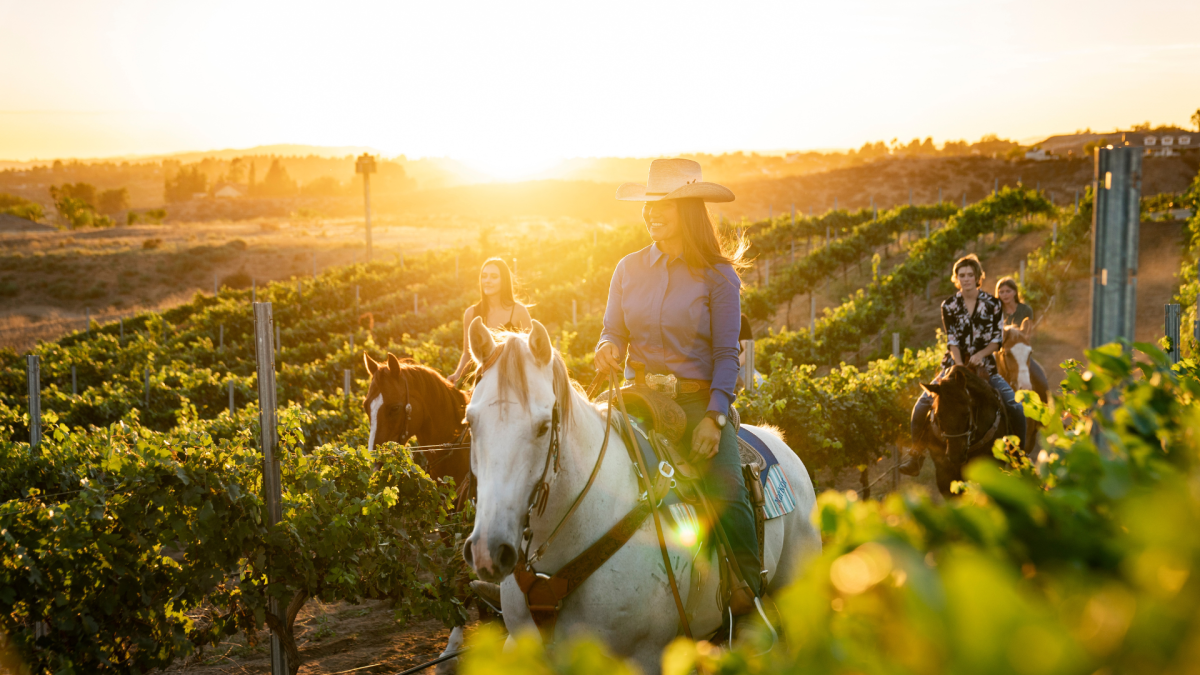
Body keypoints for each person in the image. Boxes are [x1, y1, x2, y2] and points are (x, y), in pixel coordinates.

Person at [594, 158, 763, 615]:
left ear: (687, 209)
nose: (651, 212)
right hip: (638, 401)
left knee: (728, 490)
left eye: (663, 205)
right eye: (649, 203)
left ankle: (751, 596)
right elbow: (613, 331)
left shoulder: (718, 276)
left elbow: (728, 355)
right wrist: (606, 347)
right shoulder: (627, 269)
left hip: (695, 406)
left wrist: (715, 415)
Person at [900, 254, 1027, 474]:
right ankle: (916, 456)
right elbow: (952, 340)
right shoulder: (949, 305)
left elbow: (996, 341)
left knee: (1015, 405)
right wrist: (959, 366)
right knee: (920, 407)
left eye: (970, 274)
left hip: (985, 367)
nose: (966, 278)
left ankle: (1018, 457)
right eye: (962, 275)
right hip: (953, 366)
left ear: (978, 277)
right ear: (956, 278)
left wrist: (980, 354)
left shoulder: (993, 304)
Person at [449, 257, 532, 385]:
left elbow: (531, 353)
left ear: (503, 281)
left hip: (513, 384)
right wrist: (458, 374)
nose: (487, 281)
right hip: (483, 383)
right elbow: (467, 353)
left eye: (494, 277)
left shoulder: (519, 312)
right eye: (484, 276)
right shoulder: (471, 313)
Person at [995, 276, 1048, 392]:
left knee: (1042, 382)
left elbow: (1026, 334)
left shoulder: (1025, 310)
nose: (1005, 295)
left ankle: (1046, 403)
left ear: (1015, 292)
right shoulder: (996, 312)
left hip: (1021, 353)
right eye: (1001, 292)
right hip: (1001, 353)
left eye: (1008, 291)